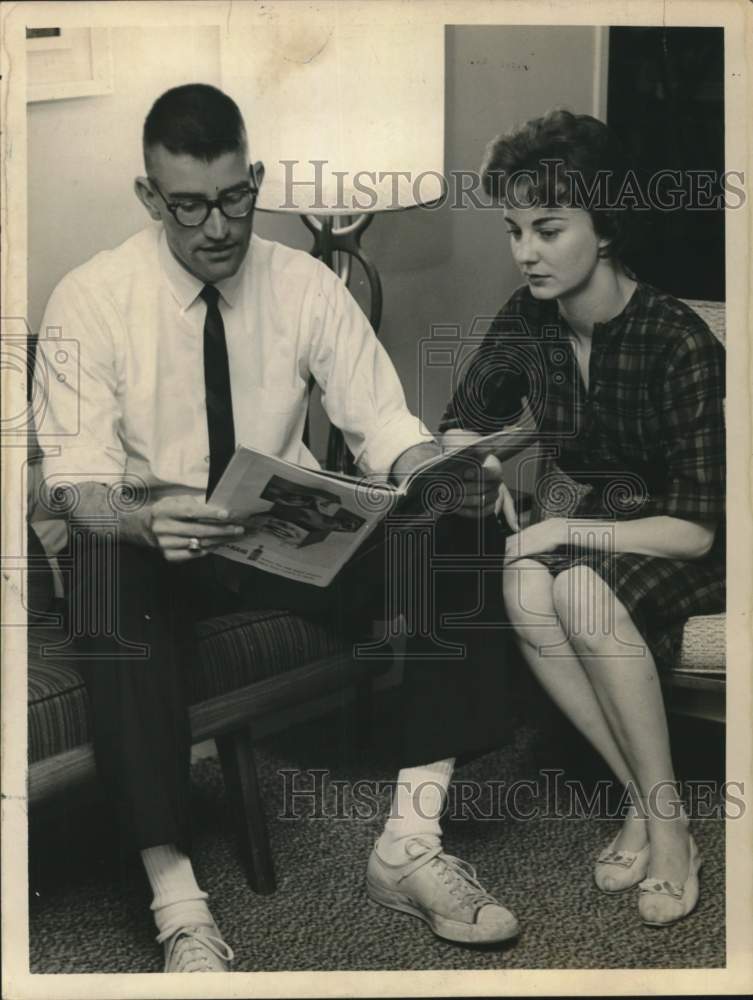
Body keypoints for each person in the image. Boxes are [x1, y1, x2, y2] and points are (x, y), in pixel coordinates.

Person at [33, 83, 522, 972]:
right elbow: (76, 486)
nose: (216, 227)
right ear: (150, 198)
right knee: (102, 570)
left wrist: (443, 472)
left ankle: (408, 844)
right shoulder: (92, 297)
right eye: (188, 207)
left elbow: (385, 429)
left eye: (234, 199)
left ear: (255, 178)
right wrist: (144, 519)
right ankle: (178, 904)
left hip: (279, 539)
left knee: (457, 516)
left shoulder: (303, 283)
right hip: (156, 545)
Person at [439, 109, 725, 927]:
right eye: (514, 229)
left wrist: (562, 530)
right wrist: (478, 459)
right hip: (607, 524)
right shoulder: (529, 317)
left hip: (693, 534)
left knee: (573, 591)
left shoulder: (676, 340)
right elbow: (461, 417)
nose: (525, 250)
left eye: (548, 228)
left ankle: (670, 835)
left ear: (603, 229)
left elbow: (698, 531)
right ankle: (642, 799)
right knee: (522, 581)